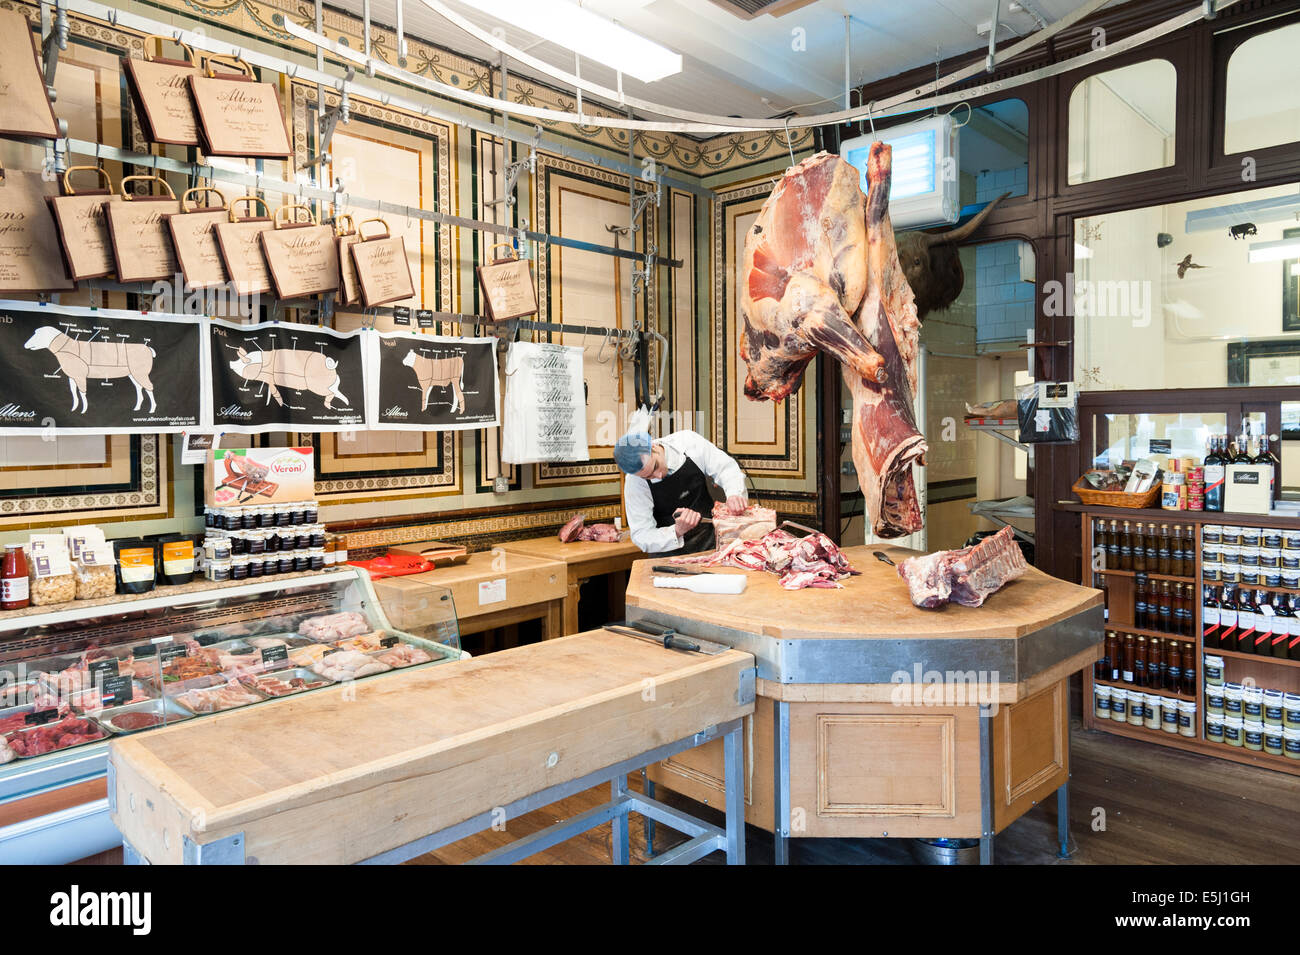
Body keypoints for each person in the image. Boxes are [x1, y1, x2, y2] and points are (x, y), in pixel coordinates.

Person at [614, 428, 748, 555]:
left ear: (653, 447)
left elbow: (725, 468)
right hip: (669, 557)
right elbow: (641, 534)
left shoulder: (688, 442)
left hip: (711, 545)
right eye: (648, 476)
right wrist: (676, 531)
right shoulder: (634, 482)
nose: (659, 476)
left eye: (655, 466)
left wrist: (734, 494)